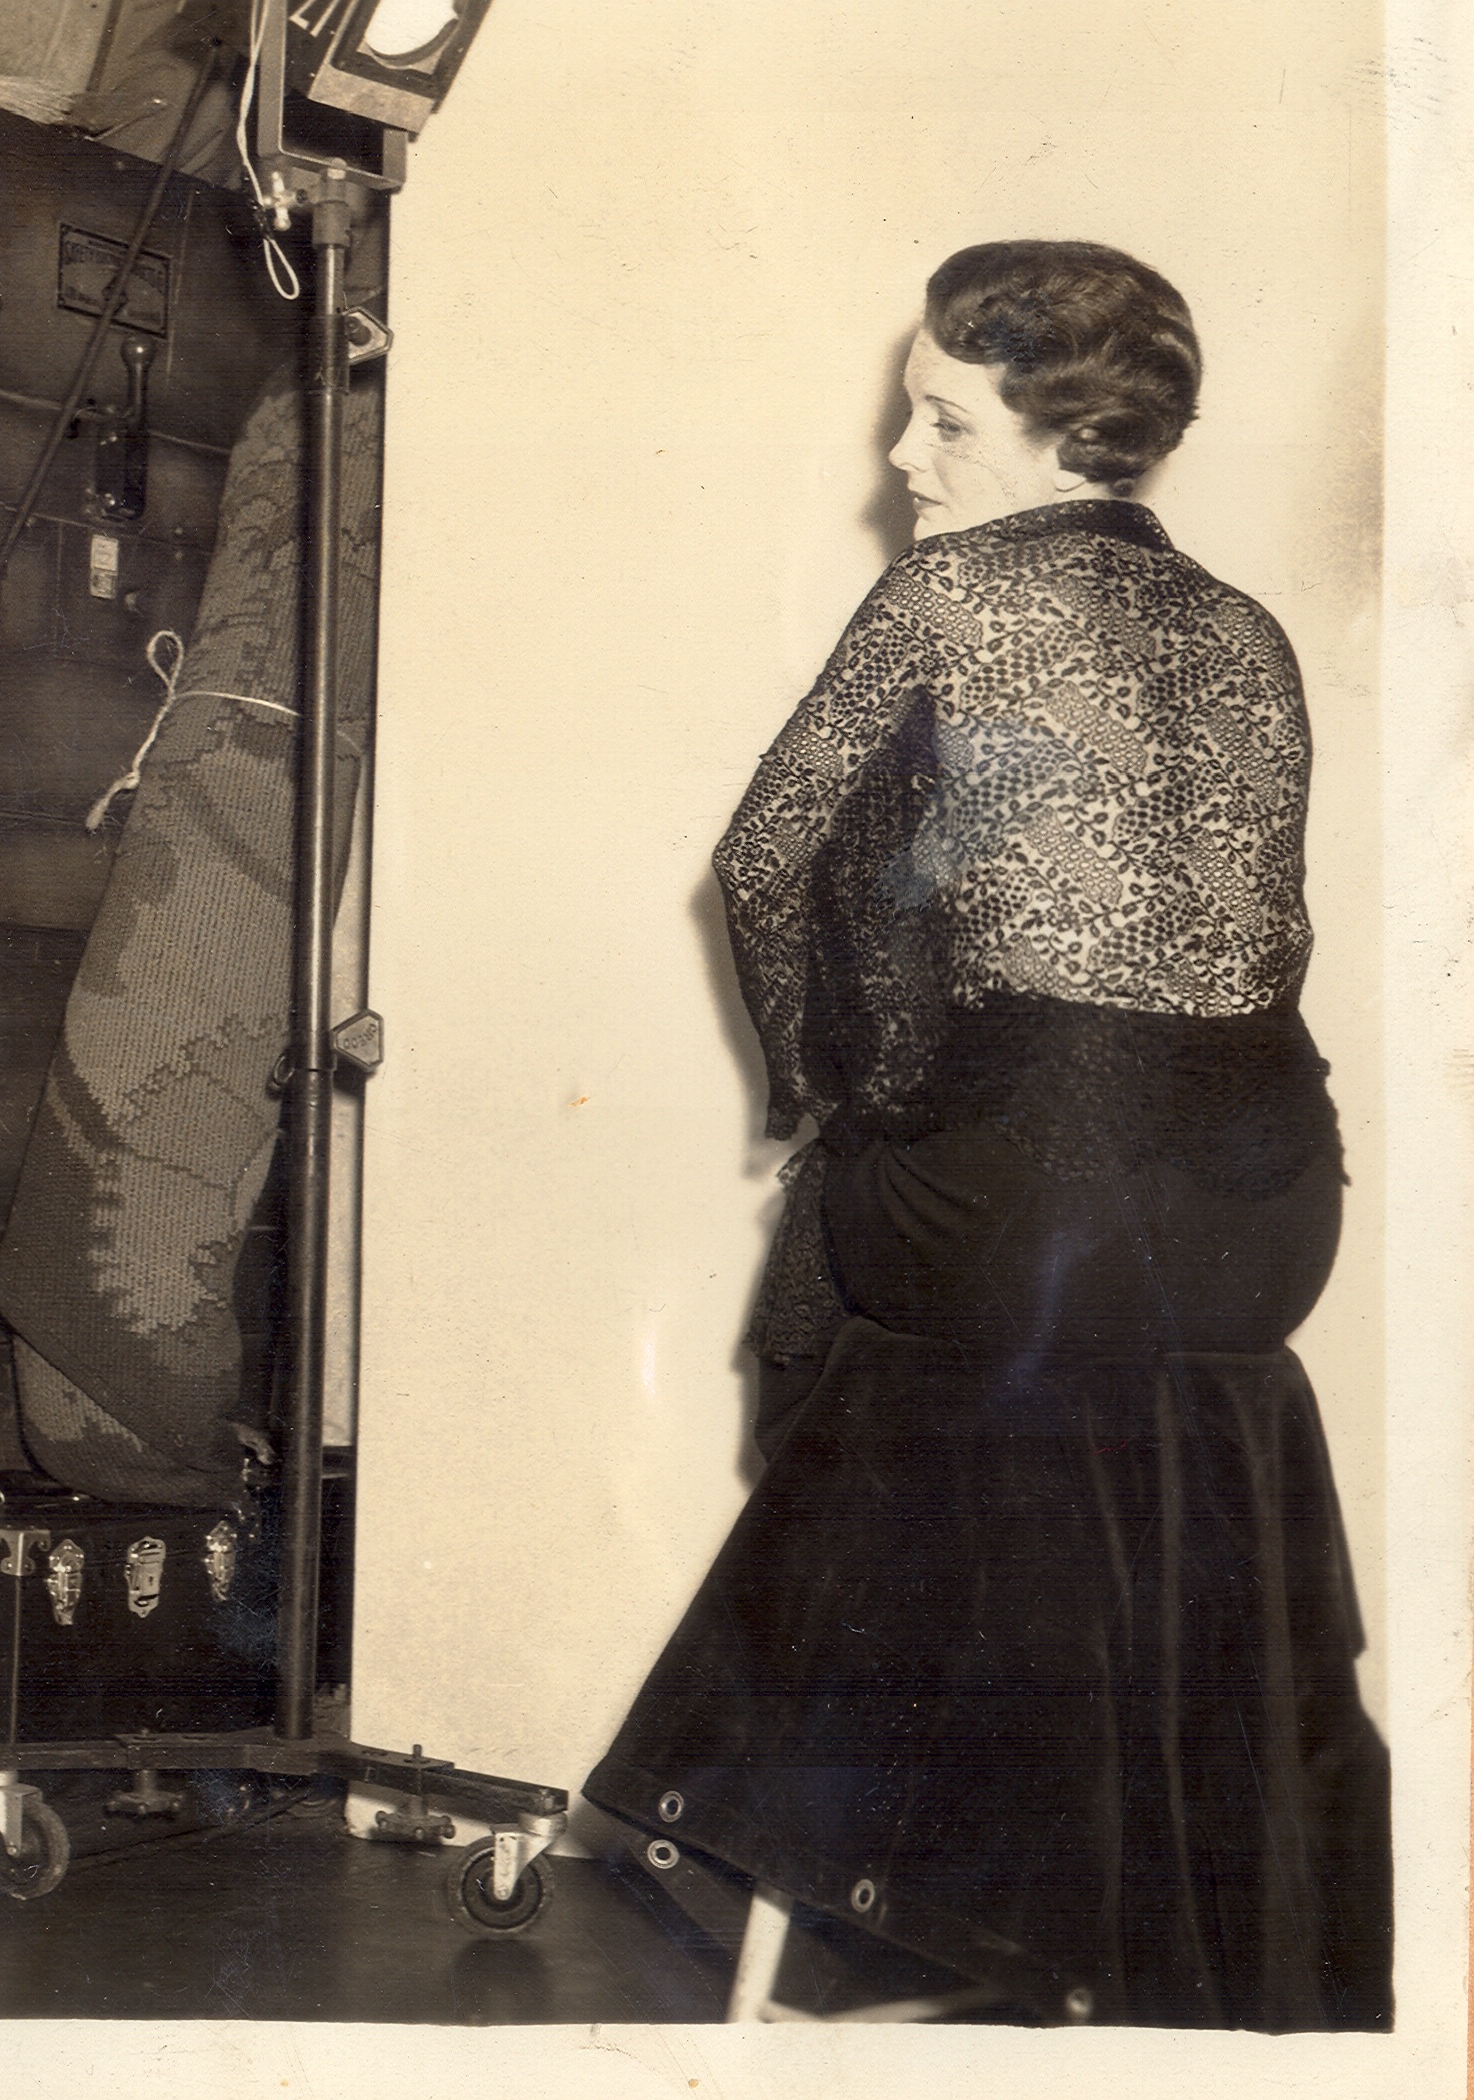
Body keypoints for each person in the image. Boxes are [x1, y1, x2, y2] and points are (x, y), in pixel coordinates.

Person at [583, 242, 1392, 2028]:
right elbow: (1251, 935)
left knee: (830, 1250)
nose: (901, 455)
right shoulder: (1246, 630)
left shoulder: (950, 597)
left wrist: (834, 1090)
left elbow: (765, 864)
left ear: (1062, 435)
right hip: (1271, 1218)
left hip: (1046, 1204)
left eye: (945, 419)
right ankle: (1082, 1897)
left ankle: (917, 1862)